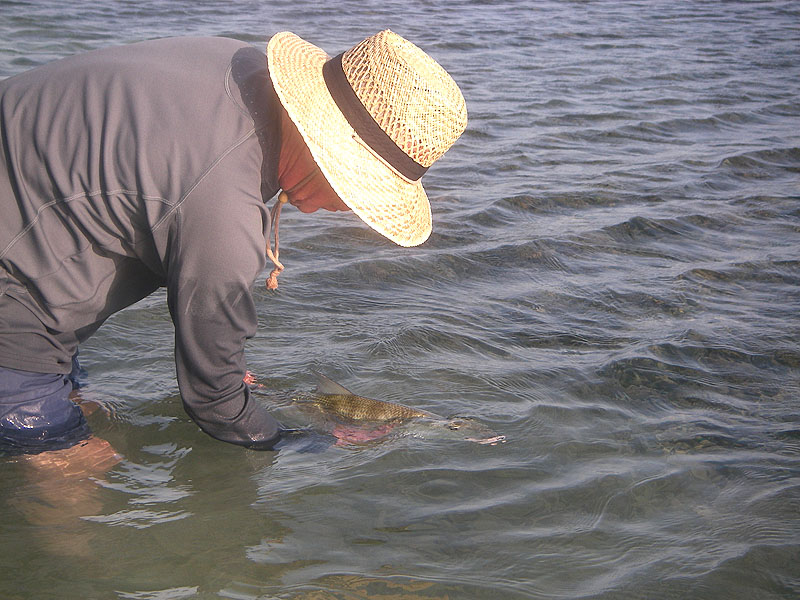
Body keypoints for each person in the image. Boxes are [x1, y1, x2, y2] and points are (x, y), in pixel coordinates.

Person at [0, 30, 468, 456]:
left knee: (83, 410)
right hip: (15, 304)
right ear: (326, 155)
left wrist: (217, 349)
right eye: (358, 191)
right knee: (76, 472)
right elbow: (215, 402)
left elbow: (150, 197)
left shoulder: (234, 61)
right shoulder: (227, 205)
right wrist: (305, 443)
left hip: (25, 221)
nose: (347, 208)